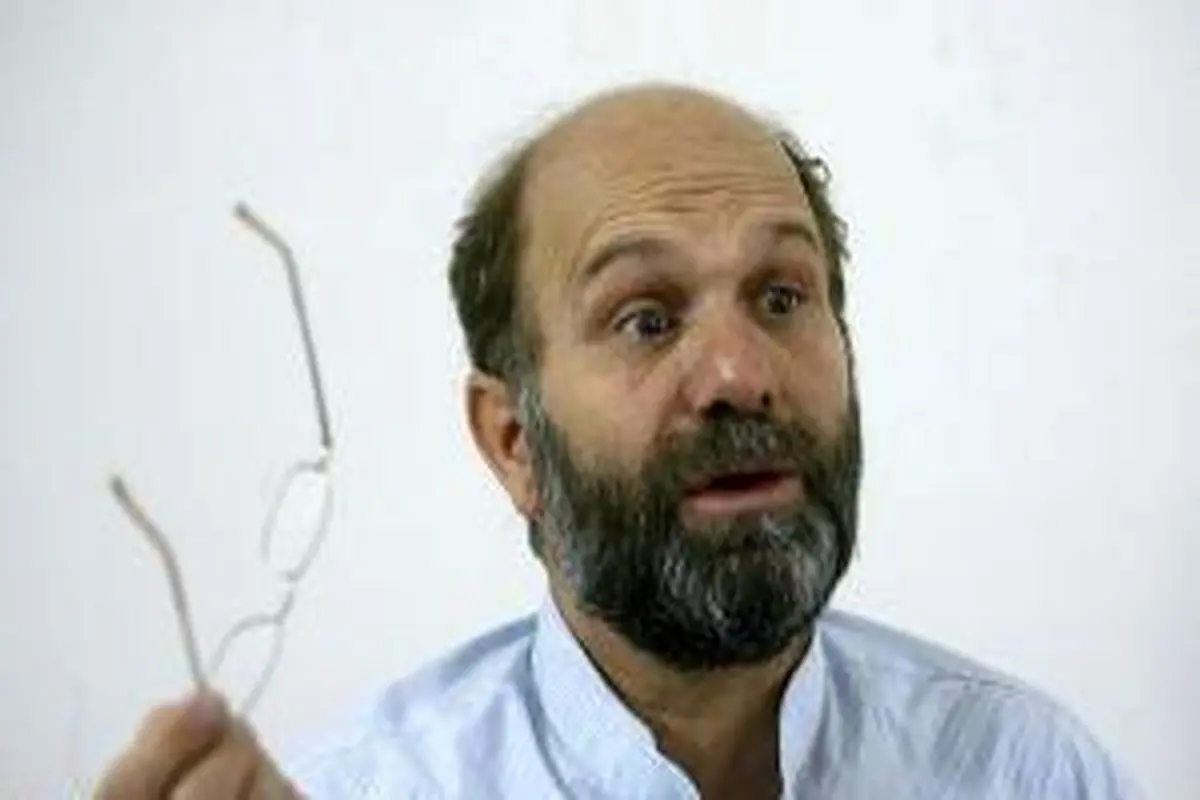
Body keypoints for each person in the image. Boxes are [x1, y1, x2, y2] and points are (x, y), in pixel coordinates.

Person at [95, 83, 1139, 799]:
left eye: (782, 297)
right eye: (646, 317)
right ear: (514, 442)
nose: (740, 375)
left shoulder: (1026, 771)